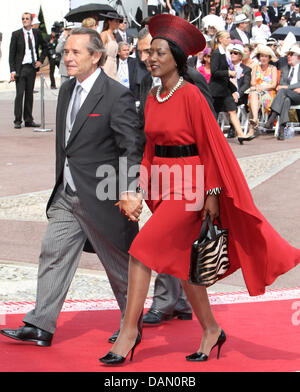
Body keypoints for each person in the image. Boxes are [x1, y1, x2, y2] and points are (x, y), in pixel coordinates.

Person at [99, 14, 300, 365]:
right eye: (150, 54)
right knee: (185, 266)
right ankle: (211, 329)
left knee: (141, 250)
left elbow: (212, 149)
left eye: (160, 53)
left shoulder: (191, 95)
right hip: (162, 186)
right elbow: (149, 150)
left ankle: (129, 331)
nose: (151, 59)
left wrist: (213, 195)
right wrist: (136, 191)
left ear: (177, 58)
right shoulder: (151, 96)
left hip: (190, 188)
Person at [0, 27, 145, 347]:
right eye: (66, 52)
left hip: (103, 197)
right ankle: (40, 324)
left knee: (119, 267)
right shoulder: (66, 90)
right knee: (53, 252)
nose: (67, 57)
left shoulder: (115, 94)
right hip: (67, 194)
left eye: (75, 52)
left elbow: (131, 146)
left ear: (96, 57)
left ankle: (131, 325)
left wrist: (128, 189)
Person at [209, 30, 251, 144]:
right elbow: (214, 72)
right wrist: (228, 73)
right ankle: (210, 137)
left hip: (225, 90)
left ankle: (241, 135)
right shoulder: (216, 53)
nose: (229, 40)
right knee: (213, 115)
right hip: (216, 91)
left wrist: (234, 91)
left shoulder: (224, 53)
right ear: (220, 39)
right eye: (227, 38)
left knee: (232, 110)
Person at [9, 12, 47, 129]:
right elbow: (12, 54)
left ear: (31, 21)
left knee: (29, 94)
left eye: (27, 18)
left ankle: (28, 120)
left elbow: (45, 46)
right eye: (23, 19)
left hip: (32, 67)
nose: (24, 20)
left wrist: (40, 60)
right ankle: (17, 120)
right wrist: (13, 71)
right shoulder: (16, 34)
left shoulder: (36, 33)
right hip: (20, 68)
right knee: (20, 94)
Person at [263, 44, 300, 140]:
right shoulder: (285, 68)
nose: (288, 56)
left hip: (298, 96)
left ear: (299, 57)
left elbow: (285, 86)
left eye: (291, 54)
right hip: (288, 95)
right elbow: (281, 84)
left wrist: (287, 87)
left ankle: (272, 118)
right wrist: (288, 88)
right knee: (286, 100)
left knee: (283, 91)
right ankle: (282, 129)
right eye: (288, 54)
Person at [248, 44, 277, 135]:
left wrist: (261, 87)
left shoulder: (273, 68)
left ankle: (252, 128)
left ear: (269, 58)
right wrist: (257, 87)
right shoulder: (256, 67)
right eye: (261, 56)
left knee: (254, 96)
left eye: (265, 56)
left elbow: (273, 84)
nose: (263, 58)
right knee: (253, 94)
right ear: (259, 57)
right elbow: (252, 82)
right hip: (256, 92)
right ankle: (255, 119)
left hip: (268, 93)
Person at [100, 11, 123, 82]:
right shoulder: (104, 34)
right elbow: (99, 50)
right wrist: (101, 65)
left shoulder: (114, 35)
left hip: (114, 64)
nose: (118, 24)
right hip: (106, 64)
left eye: (119, 22)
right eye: (116, 21)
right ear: (109, 21)